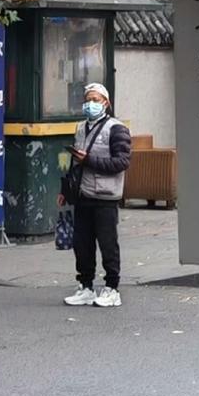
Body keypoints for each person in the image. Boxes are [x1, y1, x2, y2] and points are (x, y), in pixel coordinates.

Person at [63, 82, 132, 309]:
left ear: (106, 103)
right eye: (87, 100)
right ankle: (86, 286)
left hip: (105, 197)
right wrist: (65, 190)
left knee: (107, 244)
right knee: (82, 245)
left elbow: (122, 162)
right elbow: (75, 163)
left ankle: (112, 288)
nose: (90, 104)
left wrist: (89, 160)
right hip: (83, 194)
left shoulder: (117, 129)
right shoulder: (80, 127)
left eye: (95, 100)